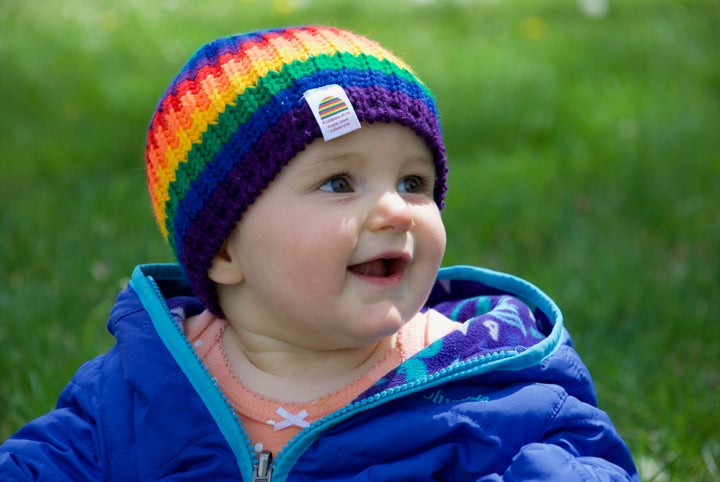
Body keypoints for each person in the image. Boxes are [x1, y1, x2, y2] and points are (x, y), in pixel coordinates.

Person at [0, 25, 638, 481]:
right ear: (224, 251)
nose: (395, 209)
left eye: (413, 183)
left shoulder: (485, 385)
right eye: (339, 183)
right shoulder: (139, 388)